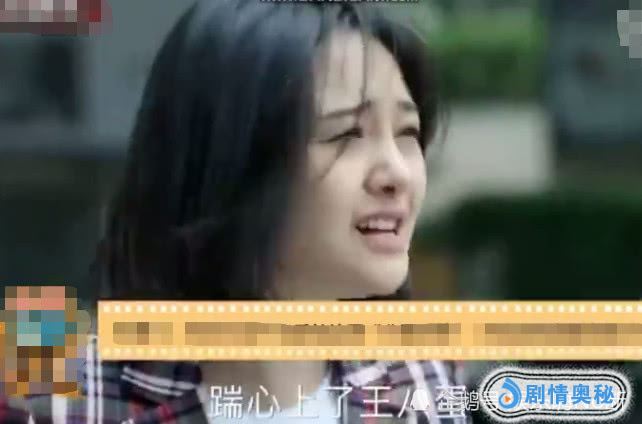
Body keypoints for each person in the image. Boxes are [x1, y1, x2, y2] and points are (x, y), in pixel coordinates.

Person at [2, 1, 471, 423]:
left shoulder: (423, 383)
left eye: (407, 133)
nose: (398, 174)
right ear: (231, 164)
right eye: (346, 133)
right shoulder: (51, 400)